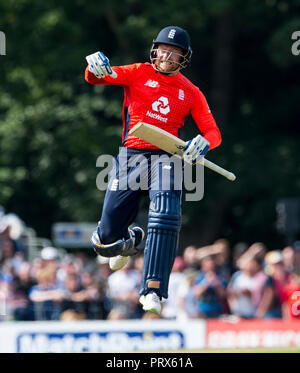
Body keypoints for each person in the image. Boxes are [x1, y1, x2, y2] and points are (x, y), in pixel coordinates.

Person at [85, 26, 222, 315]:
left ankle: (153, 289)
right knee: (104, 243)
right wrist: (93, 65)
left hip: (168, 156)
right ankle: (128, 240)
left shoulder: (190, 91)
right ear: (154, 49)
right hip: (132, 155)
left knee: (166, 214)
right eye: (163, 49)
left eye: (175, 52)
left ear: (184, 58)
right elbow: (100, 76)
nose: (167, 55)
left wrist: (203, 143)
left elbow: (213, 132)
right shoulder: (137, 72)